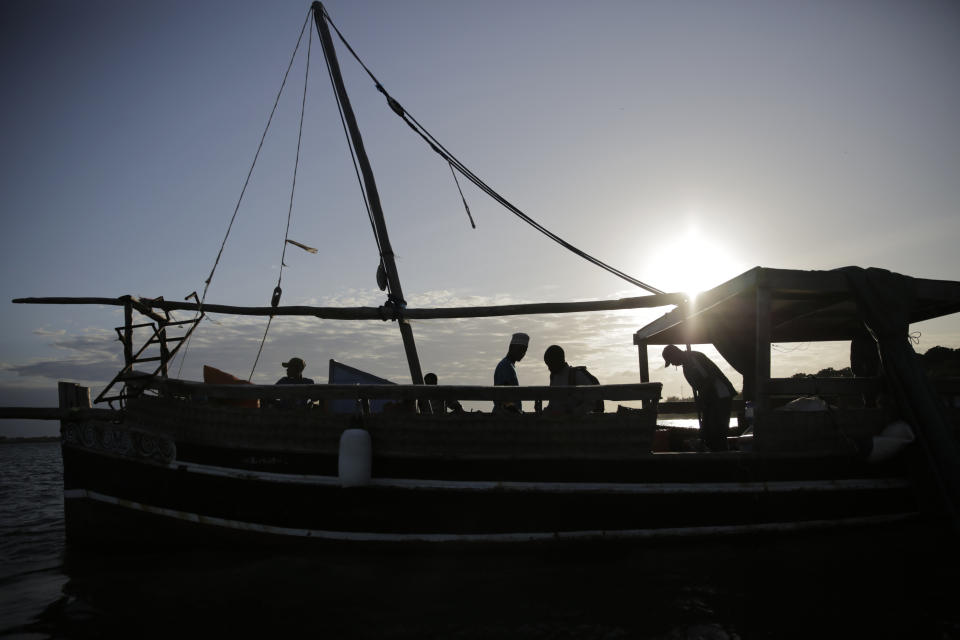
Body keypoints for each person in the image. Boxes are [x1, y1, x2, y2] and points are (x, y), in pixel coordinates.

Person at [662, 344, 737, 451]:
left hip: (721, 395)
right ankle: (714, 452)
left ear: (675, 354)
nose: (673, 364)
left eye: (671, 360)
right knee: (708, 432)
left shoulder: (694, 358)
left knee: (718, 431)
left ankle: (722, 455)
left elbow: (710, 378)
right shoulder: (686, 365)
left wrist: (703, 397)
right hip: (710, 399)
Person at [542, 345, 602, 414]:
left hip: (576, 422)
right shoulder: (553, 377)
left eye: (550, 364)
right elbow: (553, 403)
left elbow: (593, 402)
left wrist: (573, 412)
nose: (549, 368)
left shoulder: (577, 375)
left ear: (559, 360)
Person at [493, 332, 528, 413]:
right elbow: (504, 398)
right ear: (511, 347)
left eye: (525, 350)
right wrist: (517, 412)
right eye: (521, 349)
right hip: (504, 417)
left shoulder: (508, 365)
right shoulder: (505, 366)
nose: (523, 353)